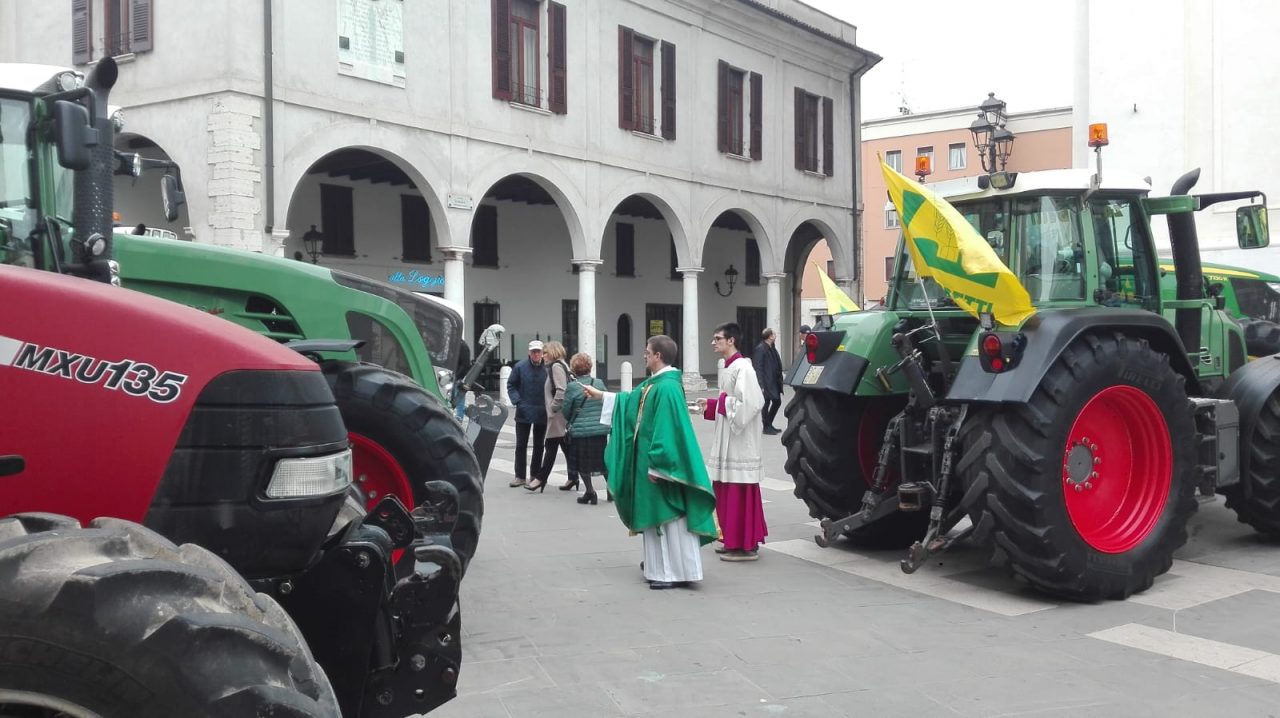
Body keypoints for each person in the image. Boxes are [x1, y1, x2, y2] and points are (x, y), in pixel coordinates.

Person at [582, 335, 717, 589]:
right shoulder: (656, 384)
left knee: (666, 517)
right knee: (659, 517)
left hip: (662, 467)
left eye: (647, 352)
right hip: (653, 464)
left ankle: (671, 572)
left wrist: (658, 465)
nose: (644, 355)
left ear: (658, 356)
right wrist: (601, 395)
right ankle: (667, 567)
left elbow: (666, 430)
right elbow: (630, 401)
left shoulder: (666, 388)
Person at [698, 323, 768, 562]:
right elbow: (730, 400)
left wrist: (719, 403)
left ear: (731, 341)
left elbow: (752, 403)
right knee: (727, 488)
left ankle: (745, 545)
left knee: (739, 489)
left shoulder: (743, 368)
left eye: (718, 338)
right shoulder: (730, 367)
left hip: (740, 443)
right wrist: (710, 405)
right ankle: (732, 539)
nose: (713, 342)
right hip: (729, 439)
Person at [561, 352, 609, 505]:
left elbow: (566, 410)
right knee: (603, 461)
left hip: (581, 432)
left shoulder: (572, 387)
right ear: (590, 366)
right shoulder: (599, 383)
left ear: (574, 368)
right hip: (599, 429)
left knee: (582, 463)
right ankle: (611, 490)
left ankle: (590, 491)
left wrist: (571, 421)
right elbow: (606, 402)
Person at [527, 341, 571, 492]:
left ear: (552, 352)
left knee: (550, 447)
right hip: (560, 414)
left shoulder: (556, 367)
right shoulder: (561, 365)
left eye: (545, 353)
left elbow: (561, 390)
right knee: (566, 447)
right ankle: (573, 477)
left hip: (557, 415)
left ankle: (540, 479)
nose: (543, 356)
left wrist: (553, 408)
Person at [507, 340, 547, 488]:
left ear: (543, 353)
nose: (536, 354)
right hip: (524, 410)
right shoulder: (520, 367)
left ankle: (535, 475)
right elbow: (511, 385)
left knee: (539, 445)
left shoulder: (548, 368)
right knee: (521, 445)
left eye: (538, 351)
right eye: (533, 351)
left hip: (542, 411)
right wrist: (517, 401)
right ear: (529, 352)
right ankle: (520, 476)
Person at [752, 328, 784, 435]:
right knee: (766, 403)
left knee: (777, 401)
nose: (775, 335)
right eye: (774, 334)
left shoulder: (772, 348)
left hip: (774, 380)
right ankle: (766, 426)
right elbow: (758, 367)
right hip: (766, 381)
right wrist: (760, 384)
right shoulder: (761, 349)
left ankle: (769, 423)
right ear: (770, 336)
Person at [451, 341, 472, 422]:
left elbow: (465, 364)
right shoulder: (457, 344)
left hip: (457, 378)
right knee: (458, 403)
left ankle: (458, 421)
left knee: (459, 403)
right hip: (454, 377)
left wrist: (456, 377)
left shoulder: (461, 346)